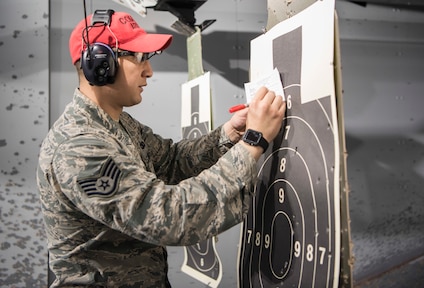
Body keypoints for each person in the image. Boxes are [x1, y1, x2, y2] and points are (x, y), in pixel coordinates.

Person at [37, 9, 285, 288]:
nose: (149, 71)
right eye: (139, 57)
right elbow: (169, 217)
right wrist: (254, 142)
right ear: (100, 64)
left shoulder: (115, 124)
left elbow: (171, 162)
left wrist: (230, 134)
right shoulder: (78, 147)